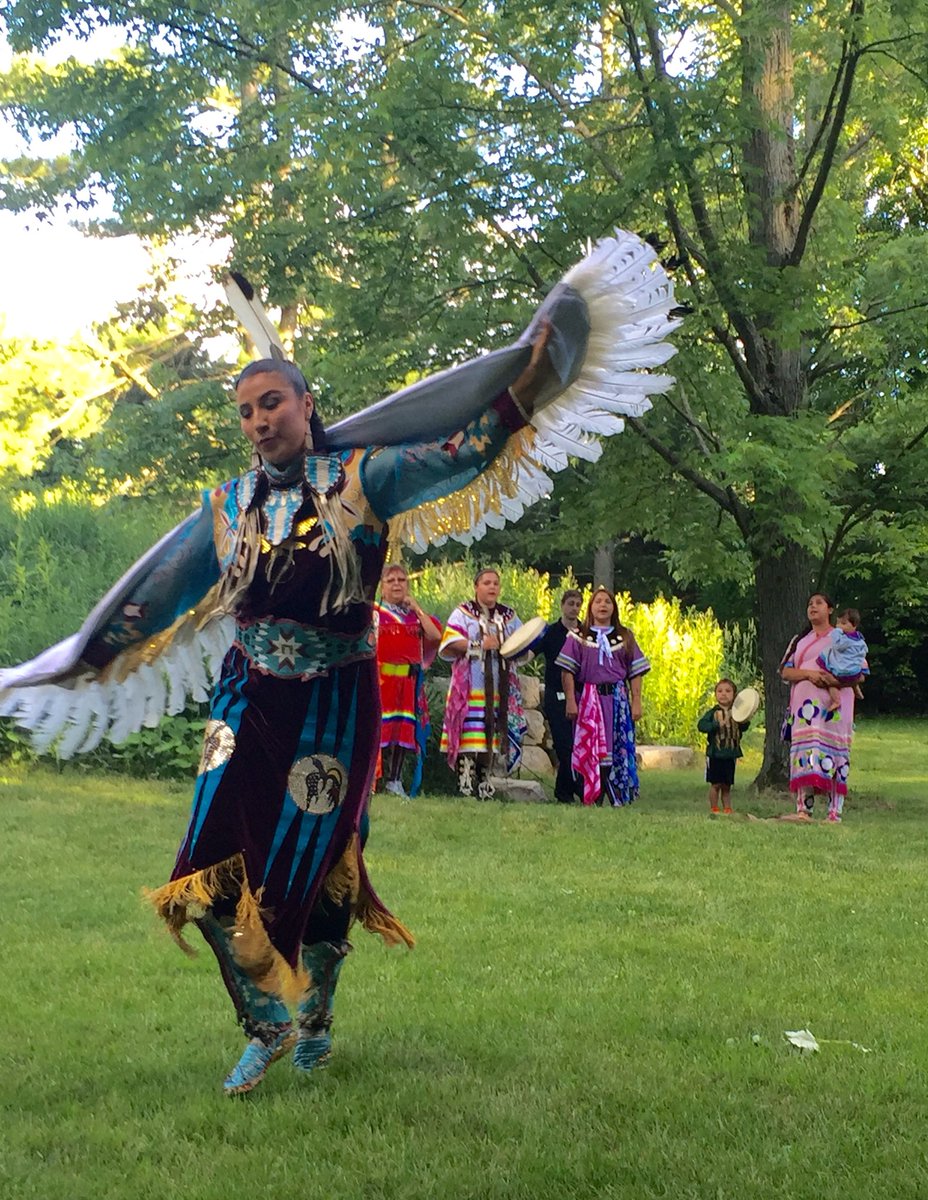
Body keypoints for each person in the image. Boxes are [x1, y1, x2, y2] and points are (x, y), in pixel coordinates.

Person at [0, 230, 679, 1093]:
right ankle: (268, 1017)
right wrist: (75, 659)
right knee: (202, 875)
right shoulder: (226, 507)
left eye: (272, 404)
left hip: (338, 700)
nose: (258, 421)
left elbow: (462, 452)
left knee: (325, 867)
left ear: (304, 404)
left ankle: (314, 1016)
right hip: (246, 698)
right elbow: (153, 595)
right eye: (246, 412)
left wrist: (529, 382)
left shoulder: (365, 478)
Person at [438, 568, 527, 799]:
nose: (492, 587)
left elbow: (523, 643)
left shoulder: (508, 615)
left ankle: (485, 778)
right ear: (476, 587)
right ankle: (465, 777)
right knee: (470, 733)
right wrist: (478, 645)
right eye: (487, 583)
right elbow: (450, 641)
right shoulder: (463, 612)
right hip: (470, 685)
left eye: (496, 583)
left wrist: (509, 646)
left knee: (493, 735)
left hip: (500, 686)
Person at [780, 593, 868, 822]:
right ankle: (803, 810)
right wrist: (809, 674)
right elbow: (786, 671)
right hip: (805, 712)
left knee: (834, 754)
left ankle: (834, 812)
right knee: (807, 754)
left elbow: (860, 674)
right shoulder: (799, 641)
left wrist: (831, 681)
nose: (813, 607)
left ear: (830, 609)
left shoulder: (842, 637)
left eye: (819, 603)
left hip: (835, 709)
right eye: (810, 603)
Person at [558, 587, 650, 806]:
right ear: (590, 607)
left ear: (613, 607)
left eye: (607, 601)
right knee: (591, 748)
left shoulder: (625, 636)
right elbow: (567, 670)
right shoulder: (578, 636)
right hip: (590, 700)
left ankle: (616, 794)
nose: (602, 605)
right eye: (597, 601)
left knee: (616, 747)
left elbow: (635, 672)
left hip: (617, 700)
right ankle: (593, 795)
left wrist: (636, 701)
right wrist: (571, 700)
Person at [373, 563, 441, 797]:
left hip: (407, 684)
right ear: (382, 587)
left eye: (401, 580)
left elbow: (435, 636)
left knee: (402, 732)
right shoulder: (374, 614)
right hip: (380, 682)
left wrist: (418, 609)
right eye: (391, 580)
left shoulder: (415, 616)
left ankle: (395, 780)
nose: (397, 584)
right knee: (378, 730)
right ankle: (372, 782)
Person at [535, 589, 584, 803]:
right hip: (556, 695)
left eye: (578, 604)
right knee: (563, 744)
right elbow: (530, 652)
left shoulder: (586, 632)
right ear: (562, 605)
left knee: (578, 744)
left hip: (581, 695)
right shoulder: (551, 632)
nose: (574, 608)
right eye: (570, 603)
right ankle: (570, 789)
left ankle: (566, 791)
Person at [697, 679, 750, 815]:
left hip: (730, 754)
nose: (723, 694)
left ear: (734, 694)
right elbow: (701, 725)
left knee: (727, 785)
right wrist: (715, 726)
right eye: (720, 691)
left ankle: (727, 808)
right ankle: (714, 808)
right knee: (715, 784)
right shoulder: (713, 713)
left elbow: (743, 727)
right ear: (715, 694)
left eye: (728, 691)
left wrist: (746, 718)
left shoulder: (737, 713)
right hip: (716, 754)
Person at [817, 607, 868, 711]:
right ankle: (856, 688)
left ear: (854, 625)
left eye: (843, 624)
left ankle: (836, 700)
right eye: (838, 623)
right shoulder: (860, 639)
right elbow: (864, 651)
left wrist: (836, 633)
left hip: (842, 671)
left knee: (828, 676)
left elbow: (837, 646)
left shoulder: (845, 639)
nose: (839, 627)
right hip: (855, 672)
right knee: (851, 676)